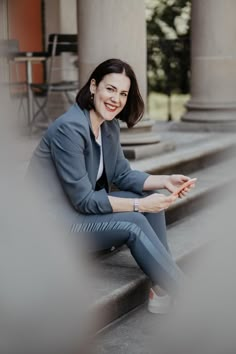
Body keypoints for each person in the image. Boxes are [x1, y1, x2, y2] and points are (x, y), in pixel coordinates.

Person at [27, 58, 196, 314]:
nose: (116, 99)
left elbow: (122, 174)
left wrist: (165, 181)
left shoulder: (108, 126)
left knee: (150, 196)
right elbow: (83, 200)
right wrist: (139, 205)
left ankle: (161, 289)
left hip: (79, 215)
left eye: (123, 93)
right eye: (110, 89)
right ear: (93, 86)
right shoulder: (69, 129)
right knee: (135, 219)